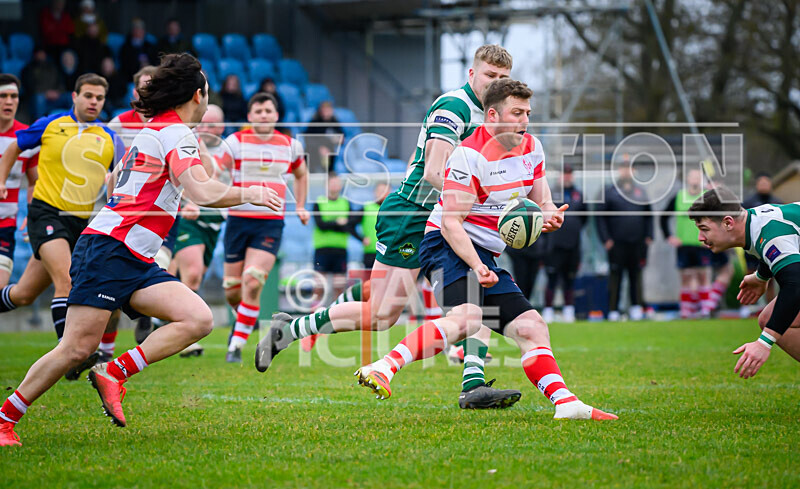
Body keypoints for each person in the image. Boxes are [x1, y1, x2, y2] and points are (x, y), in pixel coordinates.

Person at [0, 53, 283, 447]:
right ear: (197, 95)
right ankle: (5, 420)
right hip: (110, 249)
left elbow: (120, 180)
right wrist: (250, 192)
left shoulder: (156, 129)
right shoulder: (176, 133)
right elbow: (201, 190)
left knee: (197, 318)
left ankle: (114, 372)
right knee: (76, 348)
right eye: (206, 93)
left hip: (132, 254)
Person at [259, 46, 522, 410]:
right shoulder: (454, 107)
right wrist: (479, 202)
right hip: (414, 215)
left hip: (453, 218)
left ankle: (473, 385)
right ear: (471, 74)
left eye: (503, 78)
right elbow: (433, 172)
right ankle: (290, 329)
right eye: (490, 75)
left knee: (474, 293)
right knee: (382, 315)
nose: (496, 83)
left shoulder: (495, 119)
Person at [352, 79, 615, 420]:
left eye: (528, 113)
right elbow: (451, 223)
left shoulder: (532, 147)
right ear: (492, 115)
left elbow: (542, 198)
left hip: (484, 251)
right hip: (444, 244)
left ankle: (566, 404)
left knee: (532, 326)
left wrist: (550, 214)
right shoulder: (468, 155)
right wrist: (478, 266)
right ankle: (383, 367)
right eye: (516, 113)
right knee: (468, 318)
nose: (525, 121)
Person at [0, 74, 124, 359]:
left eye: (99, 98)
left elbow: (122, 176)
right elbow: (14, 147)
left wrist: (114, 188)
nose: (94, 102)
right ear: (75, 96)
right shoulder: (51, 124)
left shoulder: (110, 137)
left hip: (79, 223)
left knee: (23, 294)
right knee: (67, 280)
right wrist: (1, 179)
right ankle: (70, 355)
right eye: (88, 96)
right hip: (45, 213)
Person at [218, 92, 309, 362]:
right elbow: (216, 173)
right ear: (250, 116)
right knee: (232, 289)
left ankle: (236, 346)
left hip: (270, 222)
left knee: (253, 279)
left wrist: (300, 205)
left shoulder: (290, 146)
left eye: (268, 111)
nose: (263, 115)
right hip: (237, 220)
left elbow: (302, 174)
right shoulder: (235, 142)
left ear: (276, 115)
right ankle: (243, 318)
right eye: (258, 111)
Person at [688, 188, 800, 379]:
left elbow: (795, 284)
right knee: (769, 319)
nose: (700, 237)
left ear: (728, 223)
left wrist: (764, 343)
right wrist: (761, 276)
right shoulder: (755, 221)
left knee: (774, 321)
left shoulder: (770, 234)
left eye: (704, 229)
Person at [167, 104, 229, 357]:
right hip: (189, 219)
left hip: (214, 223)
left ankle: (160, 318)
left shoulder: (229, 150)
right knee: (191, 275)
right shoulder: (188, 145)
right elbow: (177, 178)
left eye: (212, 125)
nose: (205, 129)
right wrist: (187, 203)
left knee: (191, 276)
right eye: (203, 123)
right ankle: (184, 329)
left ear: (221, 127)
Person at [596, 161, 653, 321]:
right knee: (616, 276)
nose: (626, 172)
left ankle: (636, 307)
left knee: (636, 275)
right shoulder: (609, 192)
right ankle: (613, 309)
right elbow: (600, 218)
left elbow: (648, 216)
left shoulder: (640, 192)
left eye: (629, 168)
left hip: (637, 243)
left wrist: (649, 235)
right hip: (616, 243)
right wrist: (605, 239)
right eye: (623, 168)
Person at [0, 75, 39, 288]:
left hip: (5, 226)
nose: (9, 101)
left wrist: (32, 214)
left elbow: (34, 183)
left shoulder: (27, 138)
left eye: (13, 96)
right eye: (3, 96)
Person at [661, 169, 713, 318]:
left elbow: (717, 218)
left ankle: (705, 311)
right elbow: (663, 217)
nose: (695, 180)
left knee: (703, 276)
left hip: (702, 244)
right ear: (687, 179)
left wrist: (711, 237)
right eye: (692, 177)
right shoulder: (679, 196)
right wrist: (669, 236)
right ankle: (686, 311)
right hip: (684, 245)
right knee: (686, 277)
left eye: (698, 177)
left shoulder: (707, 197)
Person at [542, 164, 585, 323]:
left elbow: (584, 218)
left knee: (570, 279)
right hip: (554, 245)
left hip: (573, 245)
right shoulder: (551, 194)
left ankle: (569, 310)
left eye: (569, 173)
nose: (567, 176)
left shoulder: (578, 194)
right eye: (565, 173)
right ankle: (548, 310)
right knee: (552, 279)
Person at [742, 172, 783, 305]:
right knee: (750, 276)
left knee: (770, 279)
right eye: (761, 183)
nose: (764, 185)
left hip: (771, 245)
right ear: (757, 184)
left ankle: (770, 307)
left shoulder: (778, 203)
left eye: (766, 183)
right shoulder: (748, 203)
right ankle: (749, 306)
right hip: (753, 246)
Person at [304, 101, 344, 173]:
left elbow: (342, 136)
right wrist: (319, 147)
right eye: (324, 110)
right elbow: (308, 138)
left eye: (328, 110)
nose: (326, 113)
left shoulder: (334, 122)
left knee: (332, 153)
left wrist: (339, 139)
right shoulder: (315, 122)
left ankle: (330, 173)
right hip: (314, 149)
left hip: (330, 148)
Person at [361, 183, 389, 269]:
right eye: (381, 191)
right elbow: (350, 224)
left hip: (388, 253)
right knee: (370, 276)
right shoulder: (366, 208)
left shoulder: (394, 210)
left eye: (386, 191)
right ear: (375, 192)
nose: (383, 194)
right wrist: (361, 238)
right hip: (371, 252)